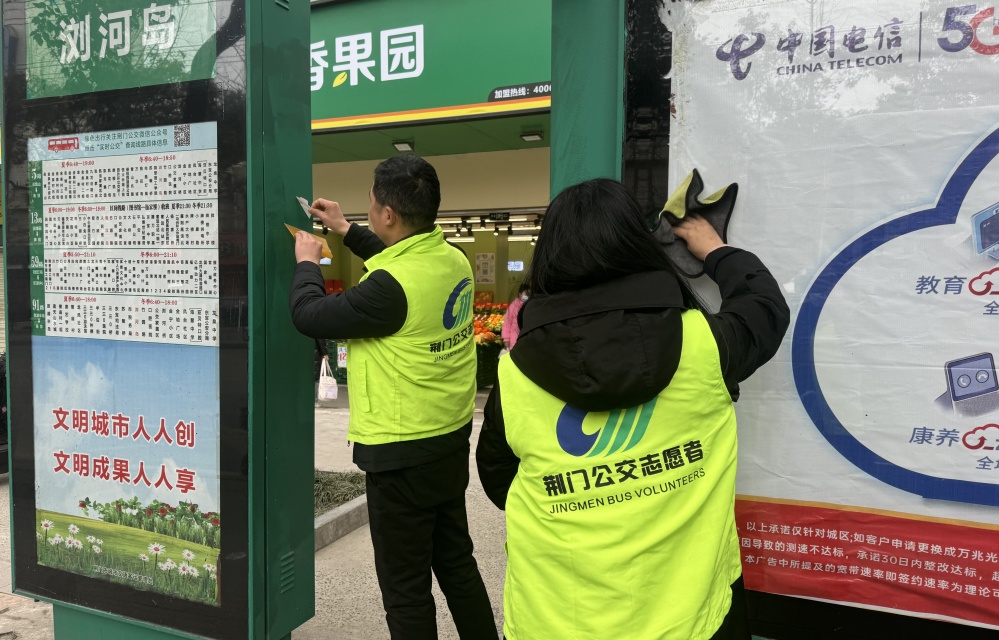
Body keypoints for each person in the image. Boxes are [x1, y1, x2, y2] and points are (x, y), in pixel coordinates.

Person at [476, 178, 789, 640]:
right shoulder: (706, 345)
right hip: (692, 620)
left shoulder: (515, 374)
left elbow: (498, 478)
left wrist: (588, 502)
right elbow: (765, 306)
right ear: (639, 247)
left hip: (553, 619)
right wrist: (714, 249)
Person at [289, 155, 497, 640]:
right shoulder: (451, 258)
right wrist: (345, 229)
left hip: (401, 452)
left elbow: (309, 315)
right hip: (448, 439)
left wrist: (308, 262)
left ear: (387, 214)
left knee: (406, 590)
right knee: (456, 562)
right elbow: (396, 260)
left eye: (370, 204)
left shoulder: (389, 290)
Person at [501, 284, 529, 350]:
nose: (527, 296)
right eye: (526, 294)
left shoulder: (530, 305)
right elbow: (507, 323)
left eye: (529, 294)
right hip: (514, 339)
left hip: (527, 339)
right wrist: (506, 339)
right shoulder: (513, 306)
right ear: (519, 294)